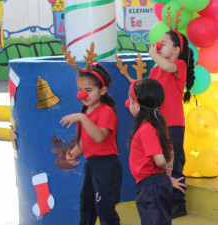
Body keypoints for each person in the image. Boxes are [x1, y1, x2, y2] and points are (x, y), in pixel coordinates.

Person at [60, 64, 121, 225]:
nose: (82, 94)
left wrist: (82, 119)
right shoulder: (85, 113)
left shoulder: (106, 111)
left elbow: (100, 137)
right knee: (86, 206)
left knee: (104, 208)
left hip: (106, 166)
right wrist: (71, 154)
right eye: (80, 89)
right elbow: (84, 142)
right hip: (92, 166)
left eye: (88, 90)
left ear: (102, 90)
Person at [148, 30, 195, 218]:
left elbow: (167, 67)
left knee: (174, 164)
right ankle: (161, 199)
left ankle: (178, 203)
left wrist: (152, 54)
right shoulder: (154, 70)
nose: (158, 45)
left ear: (176, 49)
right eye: (158, 42)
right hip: (155, 124)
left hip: (173, 124)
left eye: (164, 43)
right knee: (158, 163)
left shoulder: (178, 65)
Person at [126, 78, 186, 225]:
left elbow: (159, 160)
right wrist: (167, 177)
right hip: (152, 183)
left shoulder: (146, 129)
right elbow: (170, 151)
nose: (129, 105)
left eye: (131, 101)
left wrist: (165, 171)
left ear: (138, 106)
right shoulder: (155, 125)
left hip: (150, 186)